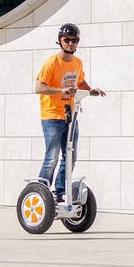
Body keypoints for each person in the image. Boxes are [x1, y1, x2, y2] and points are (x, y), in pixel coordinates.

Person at [34, 23, 105, 202]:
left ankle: (59, 192)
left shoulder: (77, 62)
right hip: (52, 116)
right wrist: (62, 91)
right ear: (60, 41)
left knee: (71, 155)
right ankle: (42, 193)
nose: (71, 44)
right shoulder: (51, 63)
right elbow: (38, 87)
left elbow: (80, 82)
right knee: (52, 156)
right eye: (67, 40)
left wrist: (91, 90)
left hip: (70, 116)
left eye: (74, 40)